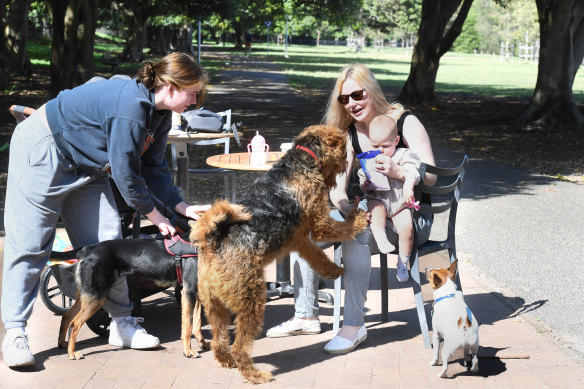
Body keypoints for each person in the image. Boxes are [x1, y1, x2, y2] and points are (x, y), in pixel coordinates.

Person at [1, 52, 211, 368]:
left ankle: (122, 323)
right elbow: (127, 175)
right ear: (170, 86)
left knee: (109, 240)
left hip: (88, 164)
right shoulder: (130, 108)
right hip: (45, 150)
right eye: (193, 93)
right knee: (30, 245)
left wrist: (181, 206)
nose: (195, 102)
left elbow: (153, 169)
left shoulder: (160, 114)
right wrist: (156, 217)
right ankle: (15, 332)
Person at [266, 63, 436, 355]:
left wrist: (398, 172)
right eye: (344, 99)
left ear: (371, 90)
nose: (352, 104)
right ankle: (306, 315)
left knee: (355, 236)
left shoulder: (404, 121)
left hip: (409, 217)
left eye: (357, 95)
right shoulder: (349, 134)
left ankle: (354, 325)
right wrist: (345, 207)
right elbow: (337, 188)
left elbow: (433, 176)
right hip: (374, 211)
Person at [358, 114, 421, 282]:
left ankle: (402, 262)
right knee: (376, 208)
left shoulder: (402, 155)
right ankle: (380, 237)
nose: (380, 150)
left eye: (385, 145)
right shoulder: (370, 157)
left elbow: (413, 172)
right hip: (379, 200)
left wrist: (408, 187)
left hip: (398, 203)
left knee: (407, 228)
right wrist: (365, 183)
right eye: (375, 145)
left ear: (396, 140)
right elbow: (362, 176)